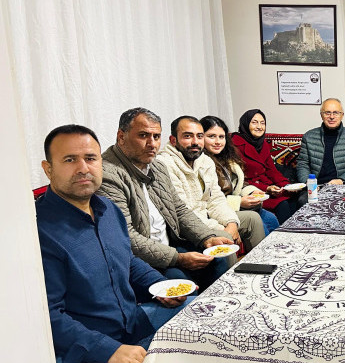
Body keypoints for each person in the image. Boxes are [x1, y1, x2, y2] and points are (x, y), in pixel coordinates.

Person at [37, 125, 234, 363]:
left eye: (90, 158)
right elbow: (48, 317)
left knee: (207, 312)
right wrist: (110, 351)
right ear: (48, 169)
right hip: (78, 356)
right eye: (69, 160)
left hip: (131, 323)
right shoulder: (39, 230)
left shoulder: (106, 209)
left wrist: (161, 286)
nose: (83, 168)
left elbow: (127, 262)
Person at [98, 108, 235, 291]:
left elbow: (178, 209)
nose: (152, 144)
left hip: (170, 245)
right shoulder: (107, 174)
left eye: (156, 136)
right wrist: (177, 258)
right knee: (183, 284)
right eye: (143, 135)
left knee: (218, 256)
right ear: (121, 137)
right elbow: (127, 236)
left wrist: (207, 237)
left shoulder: (157, 166)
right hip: (141, 262)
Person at [158, 116, 265, 252]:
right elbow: (184, 213)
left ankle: (261, 265)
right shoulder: (164, 164)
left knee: (252, 219)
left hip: (208, 217)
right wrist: (223, 228)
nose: (195, 142)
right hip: (188, 227)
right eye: (187, 136)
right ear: (173, 140)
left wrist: (231, 222)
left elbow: (216, 199)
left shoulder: (205, 161)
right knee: (224, 237)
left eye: (199, 136)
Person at [200, 115, 280, 236]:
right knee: (256, 220)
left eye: (221, 137)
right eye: (212, 136)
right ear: (200, 137)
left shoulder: (226, 156)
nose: (217, 141)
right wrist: (239, 202)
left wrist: (252, 192)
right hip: (218, 211)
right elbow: (210, 200)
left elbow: (240, 183)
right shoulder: (201, 163)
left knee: (271, 218)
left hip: (234, 202)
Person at [231, 109, 298, 223]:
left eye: (262, 123)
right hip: (249, 190)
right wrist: (266, 188)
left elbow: (272, 170)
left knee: (295, 197)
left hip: (266, 185)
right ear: (245, 124)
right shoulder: (235, 144)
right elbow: (238, 179)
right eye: (254, 122)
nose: (259, 127)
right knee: (282, 204)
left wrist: (287, 185)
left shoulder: (262, 143)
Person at [296, 98, 345, 189]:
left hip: (343, 186)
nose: (332, 117)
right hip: (315, 186)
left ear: (342, 115)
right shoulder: (308, 136)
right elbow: (302, 164)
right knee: (303, 201)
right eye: (327, 113)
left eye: (336, 113)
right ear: (321, 115)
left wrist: (342, 180)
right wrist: (308, 183)